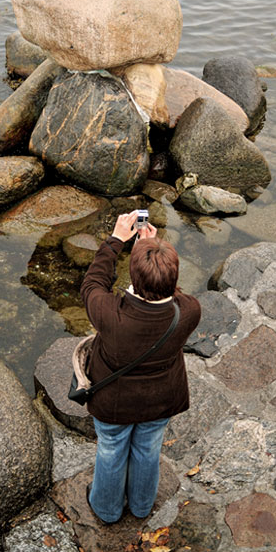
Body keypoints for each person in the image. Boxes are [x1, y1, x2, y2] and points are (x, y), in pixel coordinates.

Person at [80, 210, 201, 524]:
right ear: (173, 278)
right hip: (161, 400)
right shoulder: (189, 311)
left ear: (133, 278)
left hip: (114, 403)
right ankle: (142, 506)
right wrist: (154, 250)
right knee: (147, 448)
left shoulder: (111, 314)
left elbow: (93, 283)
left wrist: (117, 240)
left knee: (111, 449)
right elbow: (171, 293)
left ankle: (107, 510)